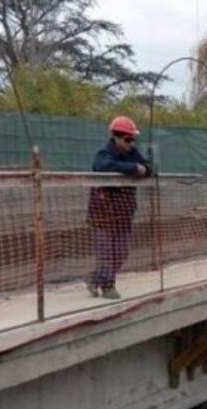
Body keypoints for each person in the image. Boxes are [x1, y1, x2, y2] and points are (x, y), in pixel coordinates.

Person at [86, 116, 152, 299]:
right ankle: (108, 286)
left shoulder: (133, 152)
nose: (132, 143)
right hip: (103, 214)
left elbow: (148, 167)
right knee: (106, 252)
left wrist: (143, 169)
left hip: (124, 213)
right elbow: (103, 166)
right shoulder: (104, 154)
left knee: (121, 252)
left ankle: (94, 279)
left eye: (133, 139)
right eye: (128, 139)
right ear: (117, 137)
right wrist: (132, 168)